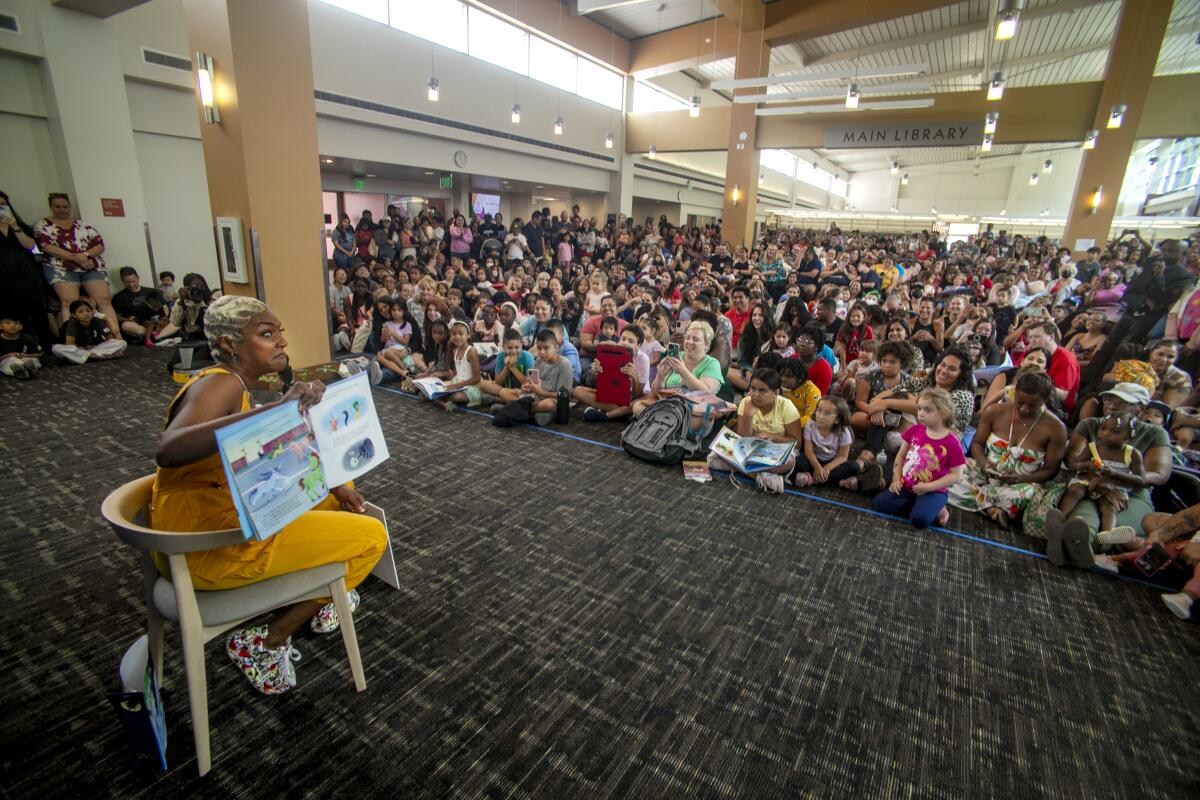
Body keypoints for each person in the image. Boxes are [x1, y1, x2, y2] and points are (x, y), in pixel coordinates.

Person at [150, 294, 386, 694]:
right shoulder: (222, 384)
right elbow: (168, 450)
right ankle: (266, 641)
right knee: (371, 539)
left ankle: (321, 596)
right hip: (206, 546)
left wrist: (334, 482)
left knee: (340, 494)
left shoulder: (233, 385)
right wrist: (273, 410)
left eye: (280, 334)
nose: (281, 343)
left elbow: (266, 455)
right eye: (265, 334)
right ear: (230, 345)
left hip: (213, 519)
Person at [1042, 383, 1173, 567]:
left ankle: (1074, 553)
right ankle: (1069, 547)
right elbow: (1072, 459)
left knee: (1108, 533)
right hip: (1090, 483)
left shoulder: (1154, 433)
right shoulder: (1092, 424)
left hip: (1132, 492)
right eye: (1109, 398)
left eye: (1121, 401)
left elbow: (1159, 474)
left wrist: (1117, 479)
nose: (1111, 404)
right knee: (1082, 525)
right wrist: (1097, 478)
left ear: (1141, 408)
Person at [948, 372, 1068, 527]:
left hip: (1020, 484)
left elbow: (1051, 470)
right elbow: (977, 444)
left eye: (1032, 406)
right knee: (946, 467)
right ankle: (991, 508)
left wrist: (1022, 479)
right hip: (985, 471)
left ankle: (973, 497)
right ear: (1014, 393)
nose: (1024, 409)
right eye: (1020, 402)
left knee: (1028, 494)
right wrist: (984, 464)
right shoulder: (995, 411)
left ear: (1045, 400)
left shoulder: (1056, 428)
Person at [872, 388, 967, 529]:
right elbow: (901, 456)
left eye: (927, 410)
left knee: (919, 521)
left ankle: (937, 506)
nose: (920, 413)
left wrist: (927, 487)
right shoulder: (915, 430)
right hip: (907, 486)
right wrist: (896, 479)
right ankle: (925, 506)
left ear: (943, 413)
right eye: (920, 408)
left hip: (933, 490)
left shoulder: (952, 443)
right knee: (879, 504)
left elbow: (957, 476)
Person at [34, 193, 119, 332]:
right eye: (57, 206)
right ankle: (71, 339)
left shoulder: (83, 224)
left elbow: (99, 245)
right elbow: (45, 246)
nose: (62, 209)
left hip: (90, 265)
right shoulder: (42, 225)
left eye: (65, 206)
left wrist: (85, 256)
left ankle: (116, 334)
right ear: (51, 207)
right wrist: (75, 258)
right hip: (60, 266)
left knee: (104, 300)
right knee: (69, 302)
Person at [708, 368, 801, 493]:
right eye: (753, 388)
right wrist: (748, 415)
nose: (755, 394)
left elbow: (797, 443)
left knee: (789, 461)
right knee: (719, 445)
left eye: (763, 390)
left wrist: (772, 437)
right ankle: (760, 476)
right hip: (750, 448)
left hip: (775, 450)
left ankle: (741, 469)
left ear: (776, 392)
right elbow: (742, 440)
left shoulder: (786, 406)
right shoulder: (746, 402)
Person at [1056, 411, 1143, 539]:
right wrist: (1085, 465)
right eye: (1103, 428)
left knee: (1108, 508)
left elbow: (1140, 480)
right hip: (1087, 481)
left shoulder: (1132, 454)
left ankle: (1108, 534)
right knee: (1075, 491)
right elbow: (1072, 465)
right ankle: (1059, 519)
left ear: (1128, 437)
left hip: (1114, 487)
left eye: (1114, 431)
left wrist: (1116, 473)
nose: (1106, 433)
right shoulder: (1094, 447)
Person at [632, 321, 724, 416]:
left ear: (706, 345)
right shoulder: (676, 357)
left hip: (691, 411)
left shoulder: (712, 363)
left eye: (695, 339)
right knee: (638, 407)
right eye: (687, 338)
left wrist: (683, 371)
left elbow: (707, 392)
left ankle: (660, 423)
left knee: (693, 418)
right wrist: (660, 377)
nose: (689, 342)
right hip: (667, 405)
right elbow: (655, 392)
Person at [0, 191, 53, 348]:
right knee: (14, 314)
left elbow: (34, 250)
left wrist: (15, 227)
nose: (1, 208)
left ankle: (46, 344)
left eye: (3, 205)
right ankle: (26, 347)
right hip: (3, 278)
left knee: (37, 311)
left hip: (27, 274)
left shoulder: (19, 226)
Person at [576, 325, 650, 423]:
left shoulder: (643, 359)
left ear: (638, 345)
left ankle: (612, 412)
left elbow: (638, 394)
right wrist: (595, 371)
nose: (625, 343)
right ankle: (623, 413)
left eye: (631, 341)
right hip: (615, 395)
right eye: (623, 339)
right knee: (578, 391)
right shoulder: (612, 352)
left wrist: (635, 377)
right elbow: (605, 384)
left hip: (633, 397)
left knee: (639, 402)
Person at [793, 396, 867, 489]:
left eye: (827, 413)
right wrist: (817, 467)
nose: (820, 415)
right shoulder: (810, 426)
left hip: (832, 463)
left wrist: (827, 467)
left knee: (854, 467)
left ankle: (812, 480)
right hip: (813, 461)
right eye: (819, 410)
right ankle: (837, 481)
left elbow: (842, 457)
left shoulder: (844, 432)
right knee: (799, 462)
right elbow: (808, 451)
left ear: (837, 419)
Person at [52, 299, 127, 363]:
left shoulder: (97, 320)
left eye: (88, 311)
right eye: (81, 312)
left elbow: (109, 338)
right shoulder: (72, 323)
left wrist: (107, 346)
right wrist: (83, 348)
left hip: (94, 348)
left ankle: (87, 357)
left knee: (122, 343)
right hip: (78, 348)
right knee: (56, 348)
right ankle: (98, 356)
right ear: (74, 315)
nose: (86, 314)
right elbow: (69, 344)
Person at [433, 319, 482, 412]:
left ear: (468, 335)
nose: (457, 337)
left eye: (460, 334)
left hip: (471, 387)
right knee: (436, 391)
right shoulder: (455, 350)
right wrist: (443, 374)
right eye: (454, 334)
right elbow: (459, 371)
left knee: (456, 396)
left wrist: (456, 386)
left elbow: (477, 378)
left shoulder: (471, 352)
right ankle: (445, 403)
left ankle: (443, 402)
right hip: (457, 382)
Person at [111, 267, 167, 344]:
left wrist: (164, 318)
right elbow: (116, 316)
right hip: (140, 324)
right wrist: (127, 319)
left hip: (158, 321)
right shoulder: (119, 297)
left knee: (176, 321)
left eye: (133, 281)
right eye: (127, 282)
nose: (131, 285)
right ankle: (157, 335)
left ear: (138, 278)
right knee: (126, 325)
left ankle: (153, 336)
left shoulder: (152, 291)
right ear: (122, 280)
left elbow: (165, 307)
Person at [0, 315, 43, 379]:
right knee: (11, 361)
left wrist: (26, 355)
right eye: (8, 323)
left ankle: (29, 369)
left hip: (26, 358)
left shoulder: (27, 338)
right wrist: (9, 355)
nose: (12, 326)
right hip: (7, 360)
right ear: (0, 326)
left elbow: (40, 353)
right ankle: (21, 371)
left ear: (21, 327)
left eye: (16, 323)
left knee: (31, 360)